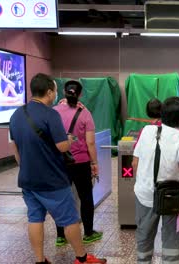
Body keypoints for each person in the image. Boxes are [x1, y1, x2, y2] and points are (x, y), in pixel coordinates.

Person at [9, 73, 106, 264]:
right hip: (52, 179)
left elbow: (15, 149)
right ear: (49, 91)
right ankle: (82, 258)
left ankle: (39, 260)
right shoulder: (49, 114)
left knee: (35, 218)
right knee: (70, 218)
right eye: (53, 90)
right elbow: (62, 146)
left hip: (28, 179)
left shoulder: (17, 114)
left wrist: (26, 168)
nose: (55, 94)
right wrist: (69, 140)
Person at [132, 97, 179, 264]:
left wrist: (142, 182)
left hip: (145, 194)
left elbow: (134, 162)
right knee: (171, 236)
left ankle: (143, 261)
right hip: (170, 195)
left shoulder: (146, 130)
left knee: (144, 233)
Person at [53, 80, 102, 246]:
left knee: (60, 197)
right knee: (86, 197)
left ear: (63, 92)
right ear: (80, 94)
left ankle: (60, 236)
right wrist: (94, 163)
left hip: (59, 162)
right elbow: (90, 143)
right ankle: (88, 232)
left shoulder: (54, 111)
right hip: (80, 162)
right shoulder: (85, 113)